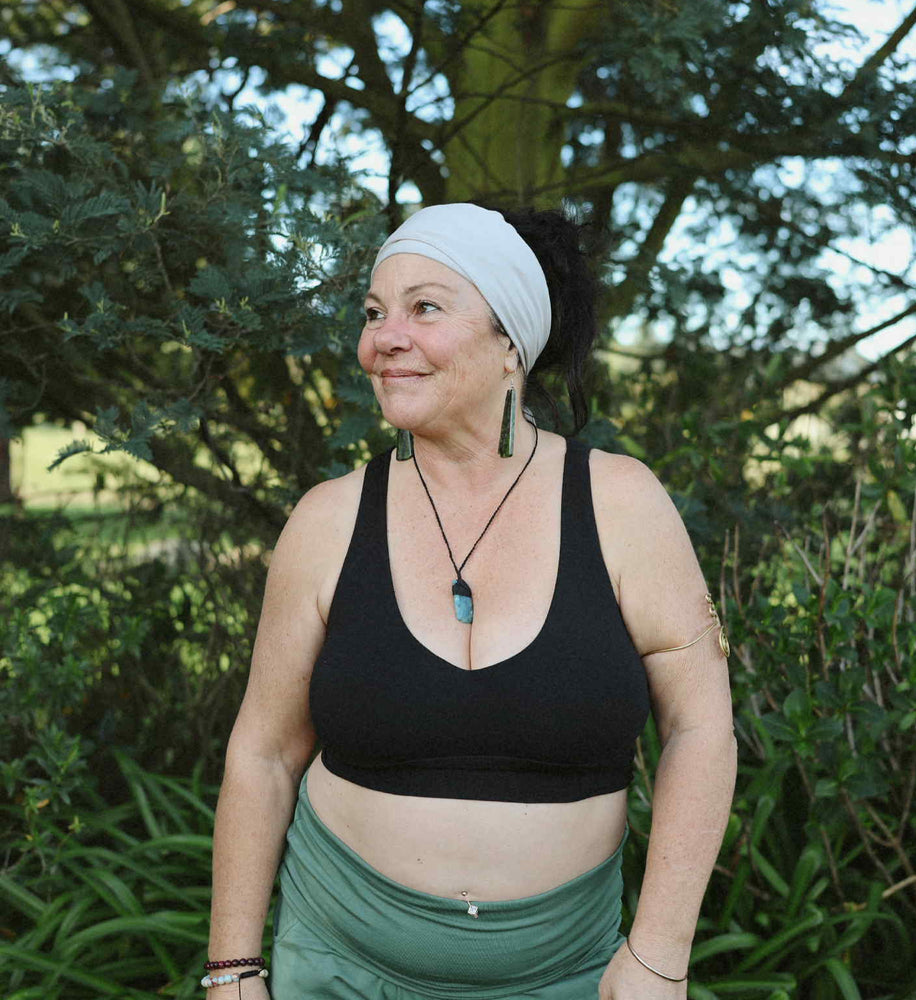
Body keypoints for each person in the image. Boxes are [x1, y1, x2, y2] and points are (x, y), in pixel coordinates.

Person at [204, 203, 737, 1000]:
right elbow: (264, 754)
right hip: (342, 966)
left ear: (511, 346)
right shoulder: (328, 520)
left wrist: (659, 954)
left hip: (571, 976)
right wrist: (232, 972)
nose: (384, 337)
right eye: (375, 313)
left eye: (425, 307)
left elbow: (701, 726)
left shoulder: (622, 505)